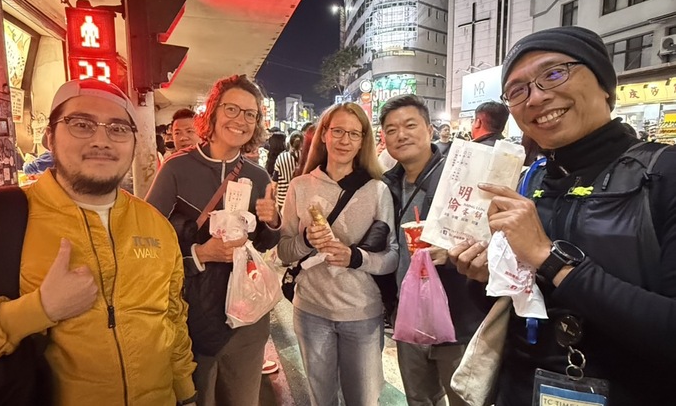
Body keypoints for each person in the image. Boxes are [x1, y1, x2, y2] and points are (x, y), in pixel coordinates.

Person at [0, 78, 197, 405]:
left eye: (118, 129)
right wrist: (36, 310)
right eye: (81, 124)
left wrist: (185, 393)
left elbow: (172, 319)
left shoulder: (156, 225)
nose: (101, 140)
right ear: (49, 137)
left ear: (133, 143)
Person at [449, 26, 676, 405]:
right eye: (518, 91)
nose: (536, 97)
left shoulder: (664, 175)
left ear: (605, 84)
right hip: (523, 387)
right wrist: (485, 277)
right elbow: (524, 306)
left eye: (554, 73)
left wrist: (550, 259)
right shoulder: (530, 178)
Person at [145, 74, 280, 406]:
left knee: (242, 399)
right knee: (198, 397)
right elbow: (146, 241)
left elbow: (262, 245)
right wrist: (198, 254)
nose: (241, 120)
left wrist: (272, 221)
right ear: (213, 113)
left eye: (251, 114)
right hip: (192, 315)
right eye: (232, 109)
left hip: (246, 318)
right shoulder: (177, 169)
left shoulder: (258, 175)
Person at [277, 102, 398, 406]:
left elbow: (391, 257)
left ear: (363, 141)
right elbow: (283, 251)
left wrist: (355, 258)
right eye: (338, 131)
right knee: (323, 399)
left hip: (362, 314)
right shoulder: (300, 186)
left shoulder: (377, 190)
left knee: (363, 399)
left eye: (354, 134)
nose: (345, 140)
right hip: (311, 312)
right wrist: (306, 239)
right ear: (324, 135)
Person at [380, 95, 485, 406]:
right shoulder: (387, 185)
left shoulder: (460, 180)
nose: (401, 134)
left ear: (429, 129)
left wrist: (453, 252)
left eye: (410, 125)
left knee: (463, 399)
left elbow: (489, 238)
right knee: (419, 398)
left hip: (456, 315)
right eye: (391, 129)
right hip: (408, 314)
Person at [273, 130, 302, 211]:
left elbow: (275, 181)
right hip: (300, 200)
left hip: (283, 200)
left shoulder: (281, 157)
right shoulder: (306, 158)